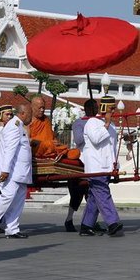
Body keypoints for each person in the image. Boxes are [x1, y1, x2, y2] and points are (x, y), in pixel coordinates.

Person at [0, 103, 33, 240]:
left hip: (21, 172)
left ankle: (12, 228)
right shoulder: (14, 126)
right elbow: (9, 150)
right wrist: (5, 170)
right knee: (7, 197)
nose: (31, 118)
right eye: (29, 114)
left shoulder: (19, 126)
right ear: (23, 113)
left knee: (18, 201)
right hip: (12, 171)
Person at [80, 95, 123, 237]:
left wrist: (115, 167)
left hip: (107, 165)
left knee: (94, 196)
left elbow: (113, 148)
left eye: (114, 108)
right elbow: (96, 139)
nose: (113, 110)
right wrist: (105, 124)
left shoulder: (112, 126)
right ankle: (112, 222)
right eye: (111, 108)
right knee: (103, 193)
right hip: (95, 166)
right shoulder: (92, 122)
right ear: (104, 108)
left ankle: (86, 225)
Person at [65, 99, 96, 233]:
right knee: (76, 194)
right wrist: (90, 130)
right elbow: (78, 140)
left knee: (94, 193)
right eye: (93, 108)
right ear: (87, 109)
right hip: (81, 160)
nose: (95, 111)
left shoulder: (98, 122)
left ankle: (90, 221)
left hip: (95, 161)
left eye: (97, 108)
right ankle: (69, 219)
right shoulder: (79, 123)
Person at [30, 95, 68, 159]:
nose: (42, 110)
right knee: (46, 145)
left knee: (64, 147)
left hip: (49, 146)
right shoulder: (27, 120)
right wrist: (39, 142)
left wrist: (56, 142)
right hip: (37, 147)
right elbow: (26, 139)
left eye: (43, 108)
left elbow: (50, 136)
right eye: (39, 108)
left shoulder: (45, 119)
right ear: (32, 107)